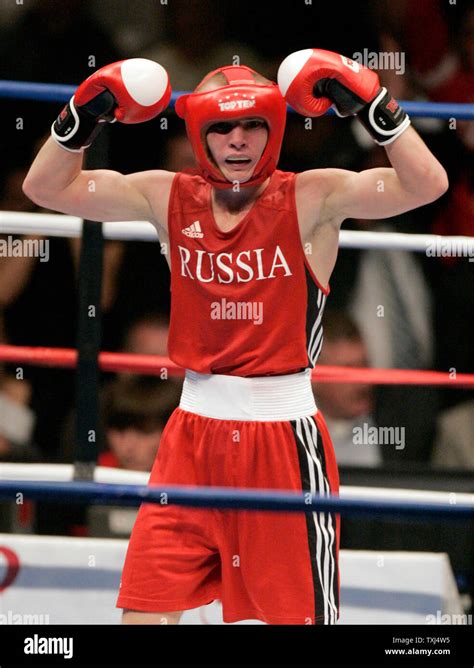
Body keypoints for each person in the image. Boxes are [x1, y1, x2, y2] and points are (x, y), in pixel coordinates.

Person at [22, 50, 448, 625]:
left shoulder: (312, 196)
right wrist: (81, 116)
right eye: (223, 126)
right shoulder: (165, 194)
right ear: (201, 132)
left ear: (274, 129)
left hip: (282, 443)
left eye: (253, 125)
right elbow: (46, 187)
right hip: (189, 442)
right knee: (142, 617)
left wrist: (374, 106)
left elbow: (426, 184)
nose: (239, 140)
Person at [313, 310, 380, 468]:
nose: (363, 381)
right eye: (348, 370)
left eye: (364, 366)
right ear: (314, 377)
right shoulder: (294, 435)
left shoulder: (399, 422)